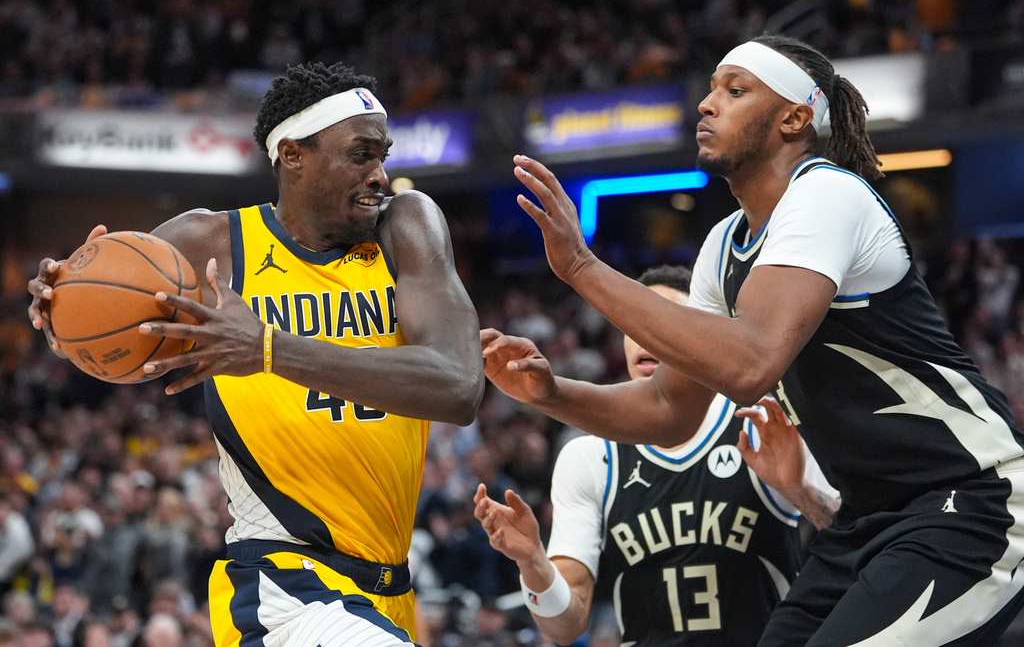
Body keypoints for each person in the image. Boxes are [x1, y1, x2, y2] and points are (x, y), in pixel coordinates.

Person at [481, 35, 1024, 645]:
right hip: (867, 519)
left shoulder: (827, 193)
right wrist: (551, 392)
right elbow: (668, 409)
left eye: (734, 91)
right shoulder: (723, 245)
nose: (707, 105)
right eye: (711, 89)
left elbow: (750, 364)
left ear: (794, 119)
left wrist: (582, 267)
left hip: (971, 499)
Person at [28, 62, 485, 646]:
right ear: (293, 155)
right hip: (282, 580)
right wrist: (58, 308)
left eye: (383, 156)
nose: (380, 174)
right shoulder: (210, 243)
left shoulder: (407, 226)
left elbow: (458, 386)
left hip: (392, 589)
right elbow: (101, 326)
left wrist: (269, 348)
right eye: (361, 155)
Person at [474, 264, 836, 646]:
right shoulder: (589, 455)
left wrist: (799, 491)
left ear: (704, 335)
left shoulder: (761, 424)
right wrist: (532, 561)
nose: (647, 337)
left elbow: (857, 533)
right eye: (636, 324)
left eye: (665, 321)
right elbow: (566, 625)